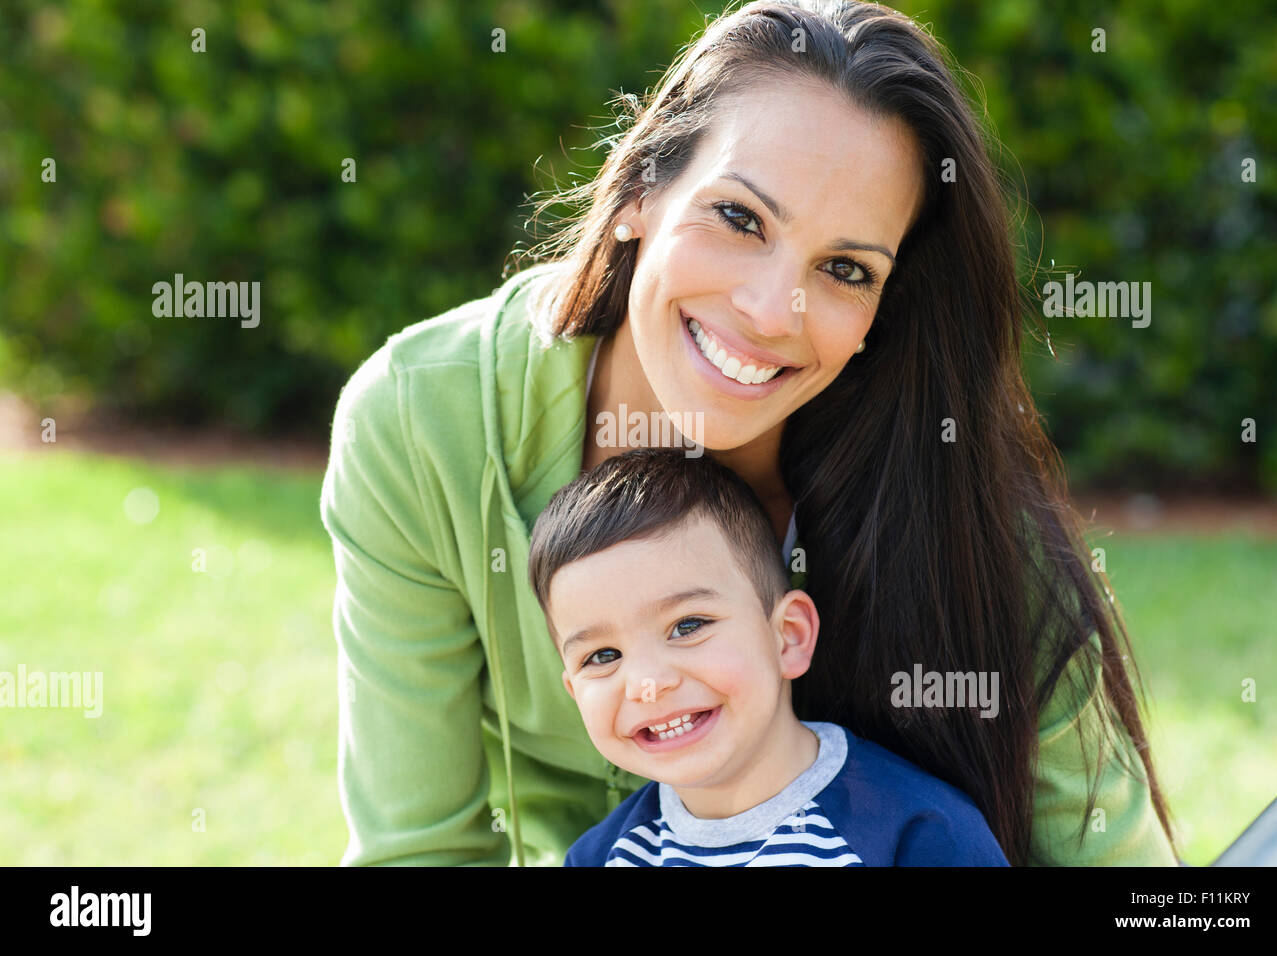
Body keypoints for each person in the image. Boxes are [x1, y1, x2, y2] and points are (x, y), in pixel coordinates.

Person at [320, 0, 1180, 866]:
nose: (772, 311)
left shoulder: (951, 504)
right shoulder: (420, 424)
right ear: (639, 192)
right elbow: (419, 851)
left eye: (844, 269)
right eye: (739, 219)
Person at [528, 446, 1009, 866]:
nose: (647, 683)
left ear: (788, 637)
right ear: (572, 688)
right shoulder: (599, 857)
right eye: (602, 655)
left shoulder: (918, 833)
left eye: (687, 626)